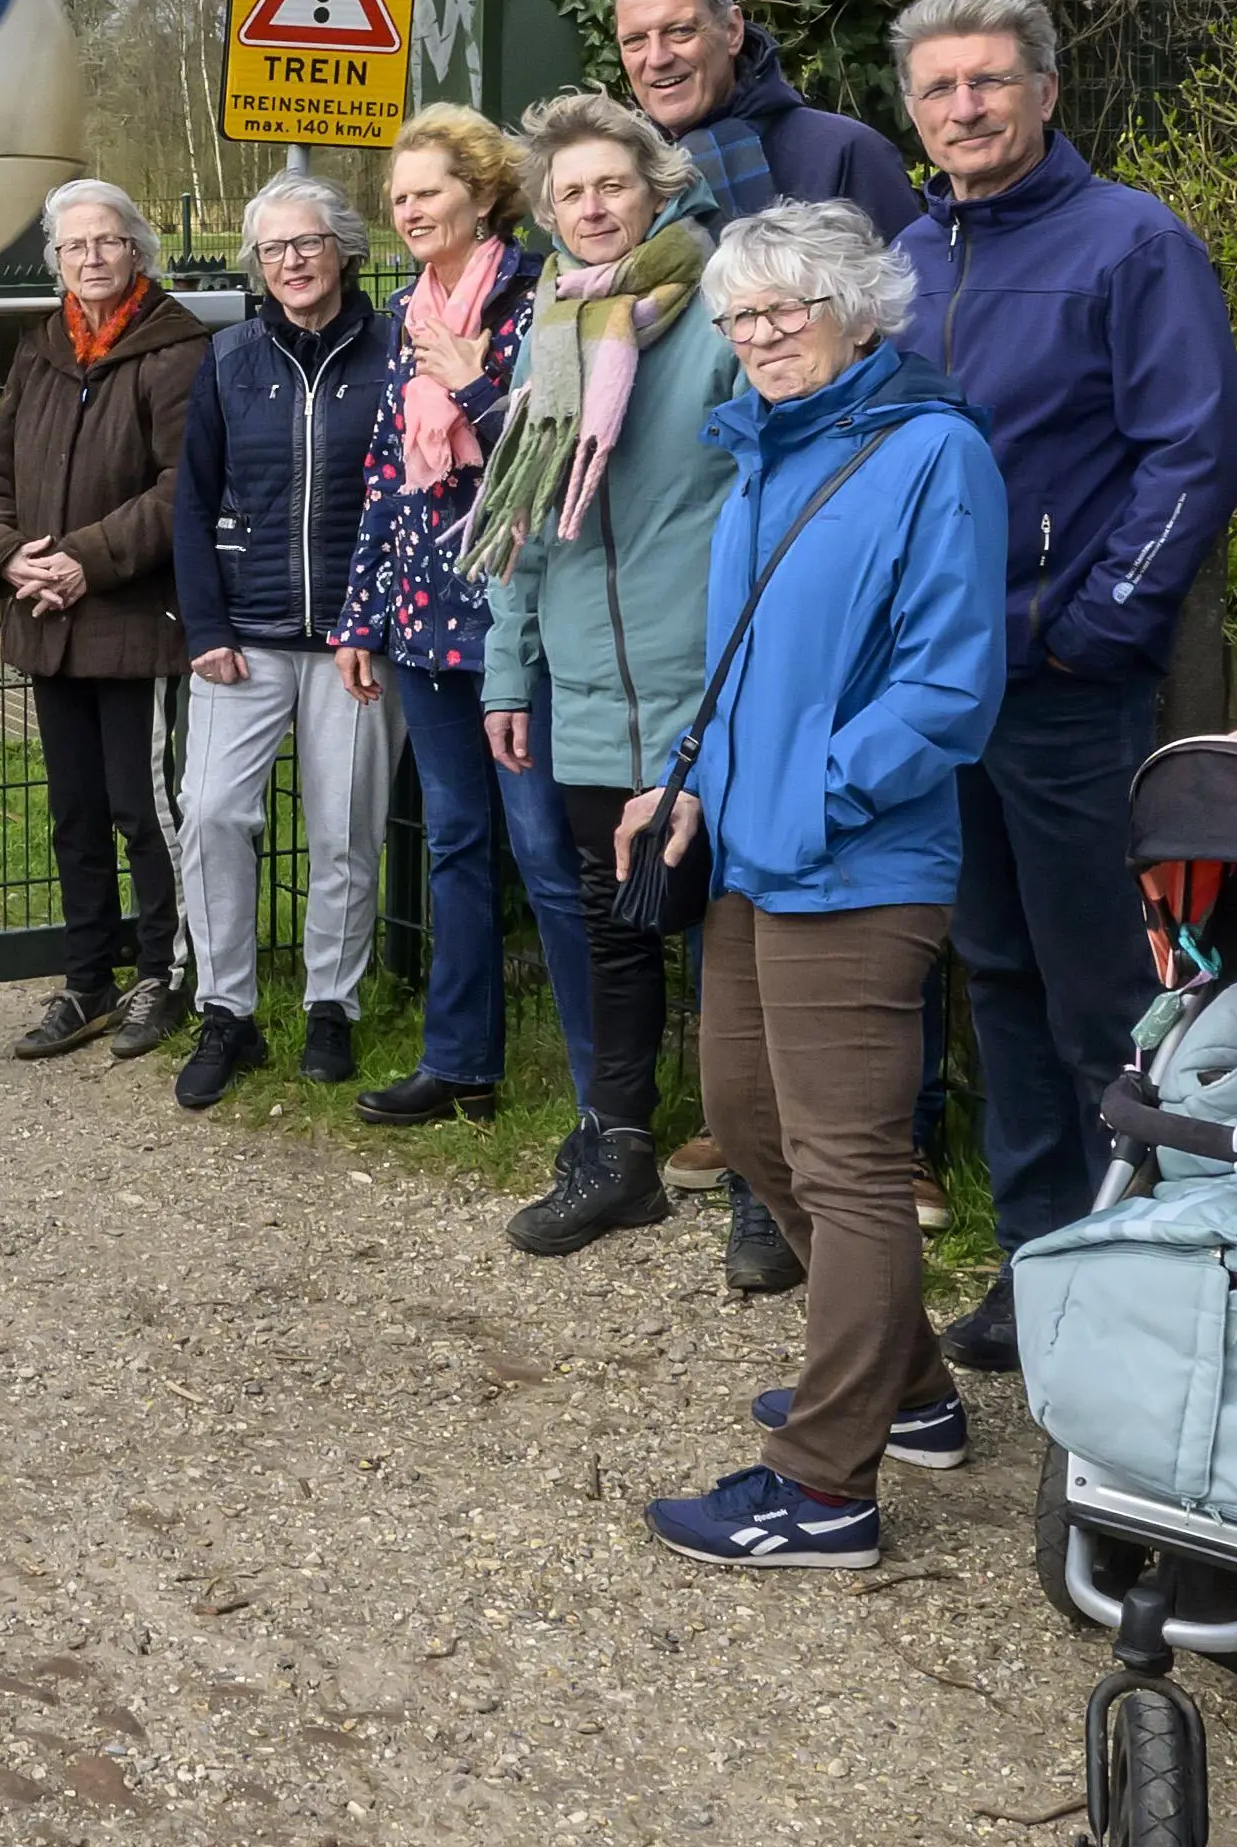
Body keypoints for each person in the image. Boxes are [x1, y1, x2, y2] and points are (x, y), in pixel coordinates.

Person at [624, 201, 1009, 1575]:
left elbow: (949, 688)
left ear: (863, 308)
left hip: (860, 862)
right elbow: (752, 670)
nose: (760, 334)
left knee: (848, 1168)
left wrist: (806, 790)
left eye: (786, 306)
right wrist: (699, 786)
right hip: (750, 849)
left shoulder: (932, 452)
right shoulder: (767, 455)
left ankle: (826, 1488)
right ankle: (904, 1391)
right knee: (745, 1118)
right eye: (739, 316)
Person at [884, 0, 1237, 1373]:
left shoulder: (1130, 243)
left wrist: (1091, 623)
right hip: (941, 686)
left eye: (989, 80)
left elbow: (1191, 449)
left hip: (1064, 684)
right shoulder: (911, 252)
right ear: (911, 110)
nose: (965, 107)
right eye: (938, 88)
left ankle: (1146, 1294)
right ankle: (1040, 1269)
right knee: (997, 975)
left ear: (1045, 90)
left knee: (1109, 994)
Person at [472, 95, 737, 1256]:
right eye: (569, 192)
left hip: (710, 687)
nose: (592, 207)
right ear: (546, 212)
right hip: (584, 690)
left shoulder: (726, 317)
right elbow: (523, 527)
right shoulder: (551, 334)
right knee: (612, 924)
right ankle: (619, 1147)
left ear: (656, 188)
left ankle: (760, 1179)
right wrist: (505, 673)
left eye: (611, 186)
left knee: (734, 933)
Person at [326, 105, 541, 1137]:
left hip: (513, 618)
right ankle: (462, 1063)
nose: (410, 209)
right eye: (399, 196)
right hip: (421, 618)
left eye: (430, 191)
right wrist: (360, 617)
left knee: (545, 851)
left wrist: (477, 379)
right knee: (457, 839)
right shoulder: (409, 310)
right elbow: (385, 477)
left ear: (484, 192)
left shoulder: (530, 298)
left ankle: (608, 1097)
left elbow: (550, 462)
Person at [158, 174, 393, 1107]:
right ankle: (228, 1014)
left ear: (344, 248)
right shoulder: (228, 359)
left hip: (355, 644)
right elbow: (191, 499)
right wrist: (205, 626)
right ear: (256, 264)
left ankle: (332, 1006)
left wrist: (374, 621)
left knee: (345, 829)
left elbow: (410, 500)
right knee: (211, 811)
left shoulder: (395, 352)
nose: (291, 262)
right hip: (243, 641)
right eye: (272, 249)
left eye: (308, 243)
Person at [0, 177, 198, 1059]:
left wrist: (84, 561)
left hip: (132, 624)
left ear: (136, 250)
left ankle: (162, 975)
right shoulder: (40, 352)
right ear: (58, 261)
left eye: (107, 241)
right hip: (46, 625)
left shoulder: (174, 350)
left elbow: (182, 487)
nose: (92, 257)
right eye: (75, 246)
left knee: (144, 810)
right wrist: (6, 557)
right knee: (73, 812)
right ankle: (87, 982)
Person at [606, 0, 915, 243]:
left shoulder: (845, 152)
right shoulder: (618, 177)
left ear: (732, 31)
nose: (657, 58)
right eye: (635, 41)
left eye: (680, 31)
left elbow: (911, 293)